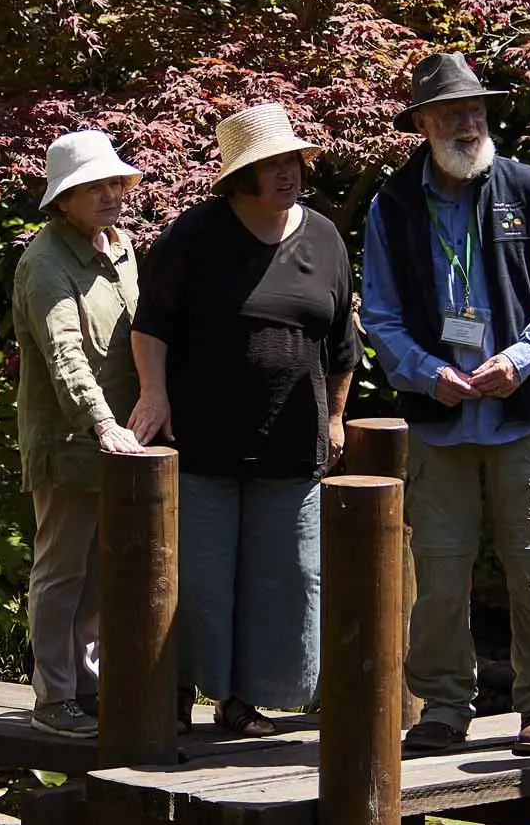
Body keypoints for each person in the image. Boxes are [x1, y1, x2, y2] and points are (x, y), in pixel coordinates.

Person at [358, 51, 530, 757]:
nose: (469, 121)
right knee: (438, 569)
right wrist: (430, 373)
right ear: (423, 123)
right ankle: (443, 706)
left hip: (521, 414)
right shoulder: (392, 205)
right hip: (441, 418)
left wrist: (519, 360)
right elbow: (380, 314)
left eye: (477, 109)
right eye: (454, 111)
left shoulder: (527, 186)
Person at [128, 103, 359, 739]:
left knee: (285, 576)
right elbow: (151, 326)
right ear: (240, 176)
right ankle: (181, 692)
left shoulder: (324, 238)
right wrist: (154, 395)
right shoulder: (196, 235)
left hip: (292, 445)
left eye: (292, 161)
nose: (287, 173)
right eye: (271, 165)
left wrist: (336, 417)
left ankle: (246, 702)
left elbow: (343, 343)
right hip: (203, 441)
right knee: (203, 577)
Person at [11, 128, 149, 739]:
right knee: (62, 570)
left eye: (114, 181)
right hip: (71, 443)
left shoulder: (121, 249)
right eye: (92, 186)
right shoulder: (45, 263)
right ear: (61, 200)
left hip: (121, 442)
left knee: (99, 573)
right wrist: (102, 424)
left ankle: (88, 689)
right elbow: (66, 356)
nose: (109, 193)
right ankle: (53, 698)